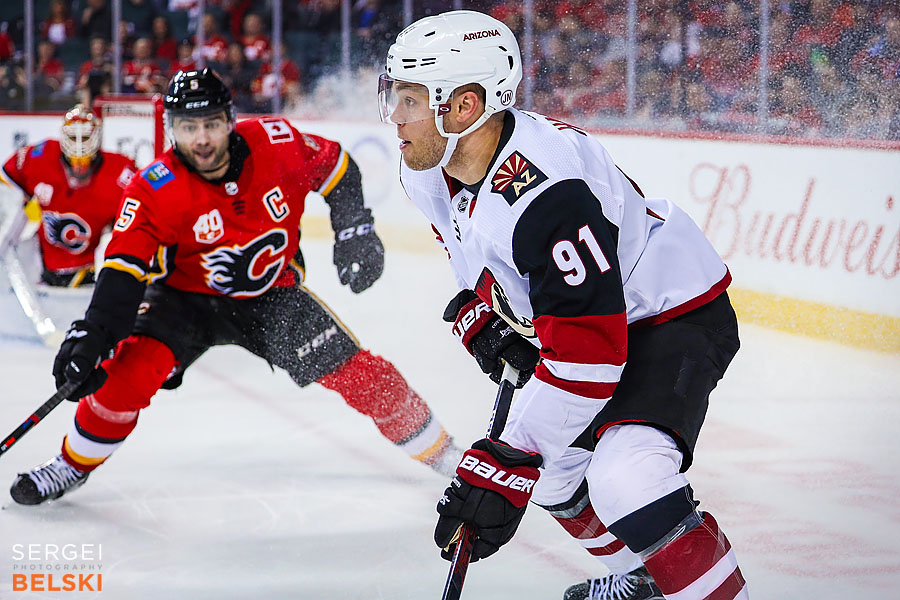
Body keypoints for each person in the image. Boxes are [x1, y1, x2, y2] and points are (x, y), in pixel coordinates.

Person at [379, 11, 747, 600]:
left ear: (466, 106)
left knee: (627, 478)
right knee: (552, 478)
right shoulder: (429, 166)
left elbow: (590, 357)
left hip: (665, 314)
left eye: (412, 99)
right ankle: (647, 577)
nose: (395, 117)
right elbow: (473, 251)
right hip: (596, 315)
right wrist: (482, 319)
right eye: (394, 95)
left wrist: (507, 463)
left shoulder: (548, 197)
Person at [9, 68, 462, 506]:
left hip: (272, 296)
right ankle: (71, 464)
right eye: (188, 127)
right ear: (171, 131)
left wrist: (354, 227)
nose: (201, 139)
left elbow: (338, 167)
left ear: (230, 121)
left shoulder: (277, 143)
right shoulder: (154, 188)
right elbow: (124, 269)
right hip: (183, 301)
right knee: (124, 379)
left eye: (210, 124)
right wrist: (97, 332)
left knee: (363, 375)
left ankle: (445, 455)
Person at [1, 104, 137, 287]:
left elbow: (135, 227)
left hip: (91, 275)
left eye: (86, 137)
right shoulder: (40, 157)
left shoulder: (120, 172)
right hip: (40, 270)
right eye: (73, 137)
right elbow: (8, 194)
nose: (79, 145)